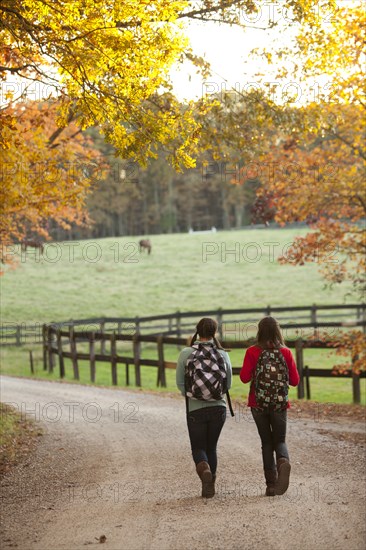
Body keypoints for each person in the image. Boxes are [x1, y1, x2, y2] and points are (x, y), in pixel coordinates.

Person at [240, 316, 300, 496]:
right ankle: (283, 462)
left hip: (257, 403)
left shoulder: (252, 351)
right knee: (280, 440)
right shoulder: (286, 352)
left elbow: (244, 378)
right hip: (279, 404)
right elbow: (295, 381)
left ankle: (271, 485)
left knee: (266, 442)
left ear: (259, 331)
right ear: (277, 331)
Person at [176, 317, 232, 498]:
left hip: (195, 409)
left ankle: (204, 472)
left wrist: (194, 395)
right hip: (218, 409)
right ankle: (210, 483)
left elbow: (180, 384)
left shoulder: (186, 353)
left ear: (197, 331)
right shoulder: (223, 354)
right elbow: (228, 384)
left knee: (198, 448)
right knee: (211, 448)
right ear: (215, 332)